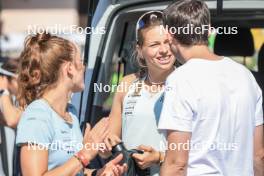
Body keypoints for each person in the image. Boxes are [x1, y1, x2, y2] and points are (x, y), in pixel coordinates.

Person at [158, 0, 264, 176]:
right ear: (208, 31)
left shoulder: (180, 79)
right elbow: (258, 156)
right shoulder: (246, 77)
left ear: (169, 35)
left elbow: (177, 164)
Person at [15, 33, 127, 176]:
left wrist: (99, 173)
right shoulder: (37, 115)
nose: (84, 67)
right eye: (81, 61)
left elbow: (74, 171)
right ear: (69, 68)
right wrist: (85, 154)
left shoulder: (71, 114)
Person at [104, 11, 176, 175]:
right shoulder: (127, 84)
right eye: (154, 44)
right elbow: (108, 149)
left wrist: (159, 157)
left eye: (167, 42)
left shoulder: (187, 84)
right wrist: (105, 146)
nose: (164, 50)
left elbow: (203, 150)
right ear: (140, 50)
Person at [0, 58, 22, 128]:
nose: (23, 84)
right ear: (6, 79)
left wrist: (3, 91)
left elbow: (11, 120)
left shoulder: (29, 98)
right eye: (19, 81)